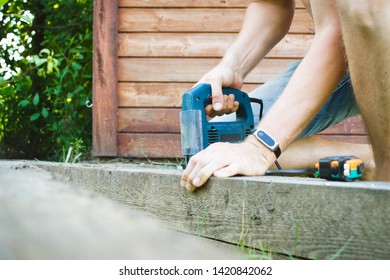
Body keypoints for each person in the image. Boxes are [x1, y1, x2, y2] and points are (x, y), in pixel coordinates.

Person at [181, 0, 379, 192]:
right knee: (222, 147)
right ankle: (369, 161)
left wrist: (259, 149)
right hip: (346, 50)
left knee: (251, 147)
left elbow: (338, 28)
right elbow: (272, 4)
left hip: (373, 48)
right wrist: (232, 66)